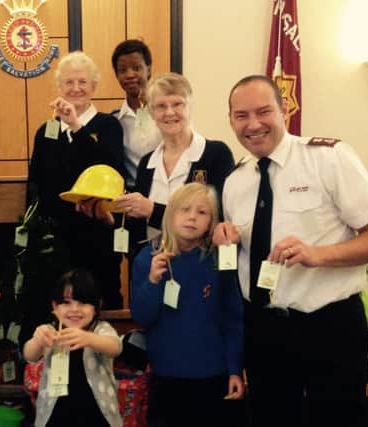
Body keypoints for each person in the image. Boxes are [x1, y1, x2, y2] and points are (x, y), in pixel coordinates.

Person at [213, 75, 368, 427]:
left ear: (284, 111)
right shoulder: (235, 181)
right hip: (264, 331)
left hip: (328, 326)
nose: (253, 124)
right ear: (231, 121)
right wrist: (227, 240)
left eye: (264, 111)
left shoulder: (327, 158)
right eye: (241, 115)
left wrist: (318, 255)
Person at [25, 50, 125, 341]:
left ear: (94, 86)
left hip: (97, 235)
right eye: (69, 82)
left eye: (82, 81)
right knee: (61, 306)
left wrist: (77, 128)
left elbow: (109, 167)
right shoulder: (47, 130)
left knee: (99, 301)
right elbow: (36, 182)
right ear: (60, 87)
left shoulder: (108, 126)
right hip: (57, 240)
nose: (76, 88)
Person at [131, 182, 244, 427]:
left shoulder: (219, 259)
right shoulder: (146, 258)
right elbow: (142, 317)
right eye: (185, 209)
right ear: (171, 213)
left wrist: (235, 368)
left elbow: (233, 317)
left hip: (213, 375)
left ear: (211, 221)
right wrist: (152, 282)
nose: (192, 217)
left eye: (202, 212)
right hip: (166, 376)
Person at [112, 72, 234, 257]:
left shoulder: (216, 154)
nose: (169, 112)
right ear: (151, 113)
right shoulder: (147, 163)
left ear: (190, 107)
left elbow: (217, 219)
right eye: (161, 106)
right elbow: (138, 227)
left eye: (177, 104)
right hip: (153, 267)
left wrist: (152, 210)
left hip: (199, 267)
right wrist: (112, 214)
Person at [23, 269, 123, 427]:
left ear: (96, 307)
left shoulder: (99, 329)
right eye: (66, 302)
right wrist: (37, 340)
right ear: (55, 306)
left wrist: (88, 339)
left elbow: (115, 347)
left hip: (97, 416)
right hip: (55, 416)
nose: (75, 309)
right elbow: (29, 355)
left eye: (82, 302)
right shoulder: (51, 331)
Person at [111, 39, 161, 190]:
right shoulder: (114, 121)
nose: (130, 75)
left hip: (167, 194)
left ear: (149, 70)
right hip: (133, 198)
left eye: (137, 68)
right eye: (123, 70)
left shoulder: (168, 114)